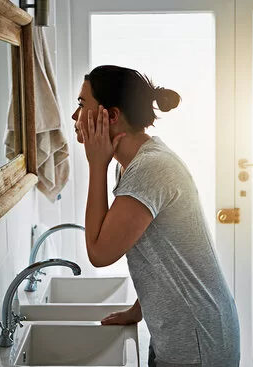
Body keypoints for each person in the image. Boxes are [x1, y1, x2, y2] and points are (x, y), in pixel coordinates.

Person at [72, 65, 240, 366]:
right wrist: (139, 309)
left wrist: (96, 166)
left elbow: (98, 253)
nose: (75, 117)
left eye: (82, 105)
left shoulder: (150, 169)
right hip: (188, 332)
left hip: (199, 341)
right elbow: (165, 253)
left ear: (111, 116)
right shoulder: (132, 165)